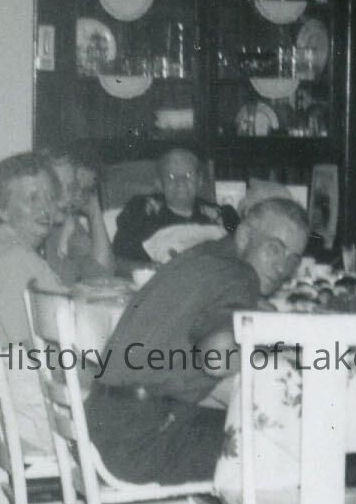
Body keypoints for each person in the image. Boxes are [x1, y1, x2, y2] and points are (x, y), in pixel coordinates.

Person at [86, 195, 311, 486]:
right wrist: (270, 348)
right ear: (244, 236)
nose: (282, 267)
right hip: (141, 442)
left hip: (104, 423)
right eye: (274, 249)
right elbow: (217, 359)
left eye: (292, 259)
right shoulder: (241, 276)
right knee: (295, 442)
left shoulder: (203, 256)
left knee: (243, 421)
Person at [0, 153, 68, 464]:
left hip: (27, 407)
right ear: (1, 209)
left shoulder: (2, 252)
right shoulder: (15, 261)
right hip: (41, 420)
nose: (45, 208)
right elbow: (31, 350)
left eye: (49, 197)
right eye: (32, 198)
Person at [110, 147, 237, 268]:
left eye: (188, 175)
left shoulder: (222, 213)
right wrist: (148, 269)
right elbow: (117, 262)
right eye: (171, 176)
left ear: (199, 180)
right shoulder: (142, 210)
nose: (180, 181)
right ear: (159, 184)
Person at [42, 152, 114, 283]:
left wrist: (94, 210)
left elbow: (103, 275)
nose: (66, 197)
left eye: (71, 188)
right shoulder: (40, 231)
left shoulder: (66, 224)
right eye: (57, 187)